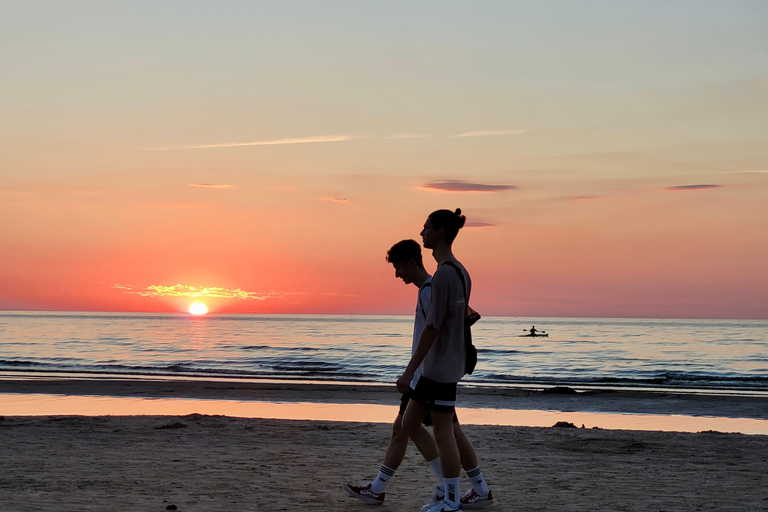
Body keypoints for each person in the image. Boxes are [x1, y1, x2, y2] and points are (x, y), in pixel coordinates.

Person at [344, 238, 493, 510]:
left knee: (428, 430)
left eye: (399, 267)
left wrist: (411, 371)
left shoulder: (429, 291)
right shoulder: (428, 289)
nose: (397, 274)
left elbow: (434, 333)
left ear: (412, 263)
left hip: (428, 376)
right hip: (429, 374)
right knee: (419, 429)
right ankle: (476, 488)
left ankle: (445, 488)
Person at [397, 209, 493, 512]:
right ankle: (460, 490)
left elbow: (434, 327)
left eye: (425, 228)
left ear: (439, 232)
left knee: (443, 431)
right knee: (411, 423)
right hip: (447, 364)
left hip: (438, 368)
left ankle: (450, 499)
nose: (421, 233)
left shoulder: (443, 276)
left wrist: (410, 369)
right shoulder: (461, 271)